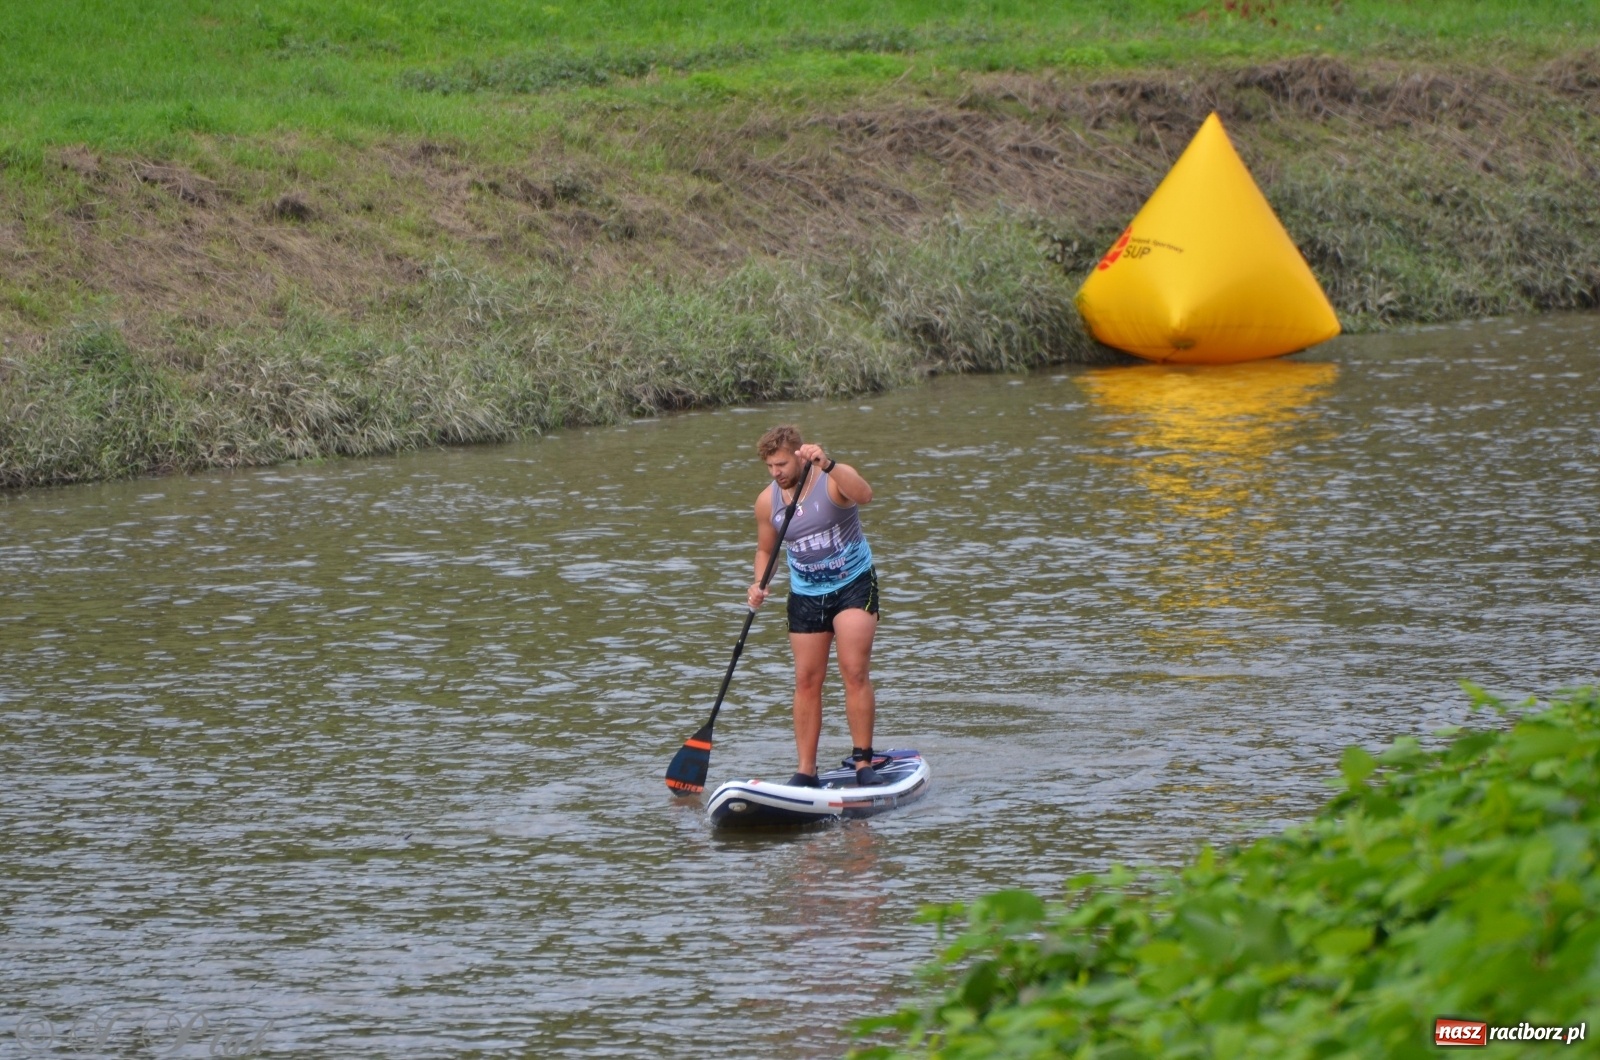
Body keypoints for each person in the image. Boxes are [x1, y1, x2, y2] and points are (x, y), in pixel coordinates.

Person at [748, 424, 886, 788]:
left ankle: (863, 763)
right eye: (769, 467)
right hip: (806, 594)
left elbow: (866, 494)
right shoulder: (767, 502)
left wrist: (829, 464)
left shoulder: (831, 480)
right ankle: (806, 771)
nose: (775, 473)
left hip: (853, 584)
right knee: (806, 680)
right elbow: (765, 550)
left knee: (853, 670)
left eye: (781, 464)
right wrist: (760, 583)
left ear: (799, 455)